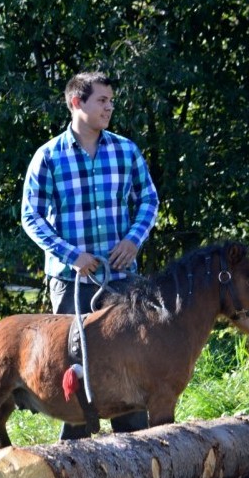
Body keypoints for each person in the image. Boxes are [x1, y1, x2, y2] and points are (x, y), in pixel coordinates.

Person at [21, 71, 160, 439]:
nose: (109, 107)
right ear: (76, 102)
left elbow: (148, 200)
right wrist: (72, 256)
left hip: (122, 278)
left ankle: (133, 445)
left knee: (128, 360)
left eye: (111, 101)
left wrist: (133, 240)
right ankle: (75, 454)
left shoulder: (126, 151)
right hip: (71, 281)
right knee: (74, 363)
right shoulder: (48, 157)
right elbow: (30, 216)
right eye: (102, 100)